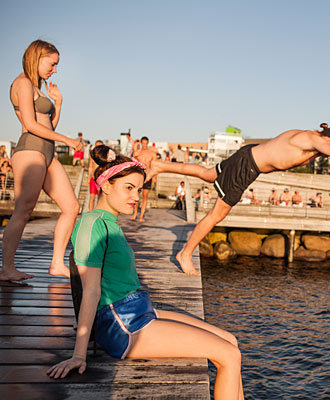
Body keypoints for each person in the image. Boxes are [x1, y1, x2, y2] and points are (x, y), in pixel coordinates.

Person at [46, 145, 243, 399]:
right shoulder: (91, 224)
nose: (136, 196)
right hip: (123, 325)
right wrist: (78, 355)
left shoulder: (110, 223)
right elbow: (91, 291)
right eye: (128, 188)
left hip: (138, 309)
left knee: (230, 341)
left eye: (138, 189)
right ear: (105, 185)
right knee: (229, 355)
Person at [145, 125, 330, 274]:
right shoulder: (314, 139)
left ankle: (158, 165)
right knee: (216, 215)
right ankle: (185, 253)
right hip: (246, 168)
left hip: (247, 159)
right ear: (328, 140)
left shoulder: (312, 140)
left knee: (207, 173)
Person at [1, 40, 83, 282]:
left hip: (47, 151)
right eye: (52, 63)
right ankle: (7, 268)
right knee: (23, 211)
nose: (54, 70)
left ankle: (57, 263)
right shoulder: (22, 83)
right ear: (37, 57)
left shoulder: (36, 86)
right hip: (30, 151)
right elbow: (30, 125)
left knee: (72, 207)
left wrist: (57, 103)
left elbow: (49, 125)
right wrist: (67, 140)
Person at [130, 136, 158, 222]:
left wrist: (154, 177)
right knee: (136, 195)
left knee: (145, 196)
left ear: (148, 143)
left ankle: (141, 215)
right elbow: (132, 164)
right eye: (143, 143)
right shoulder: (137, 153)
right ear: (141, 143)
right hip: (138, 175)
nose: (144, 145)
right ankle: (135, 213)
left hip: (147, 176)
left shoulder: (152, 154)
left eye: (146, 143)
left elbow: (154, 167)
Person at [88, 140, 104, 212]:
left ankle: (98, 211)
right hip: (93, 178)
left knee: (100, 197)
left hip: (101, 179)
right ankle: (90, 211)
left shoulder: (103, 157)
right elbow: (90, 166)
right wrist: (89, 178)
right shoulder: (92, 156)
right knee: (92, 196)